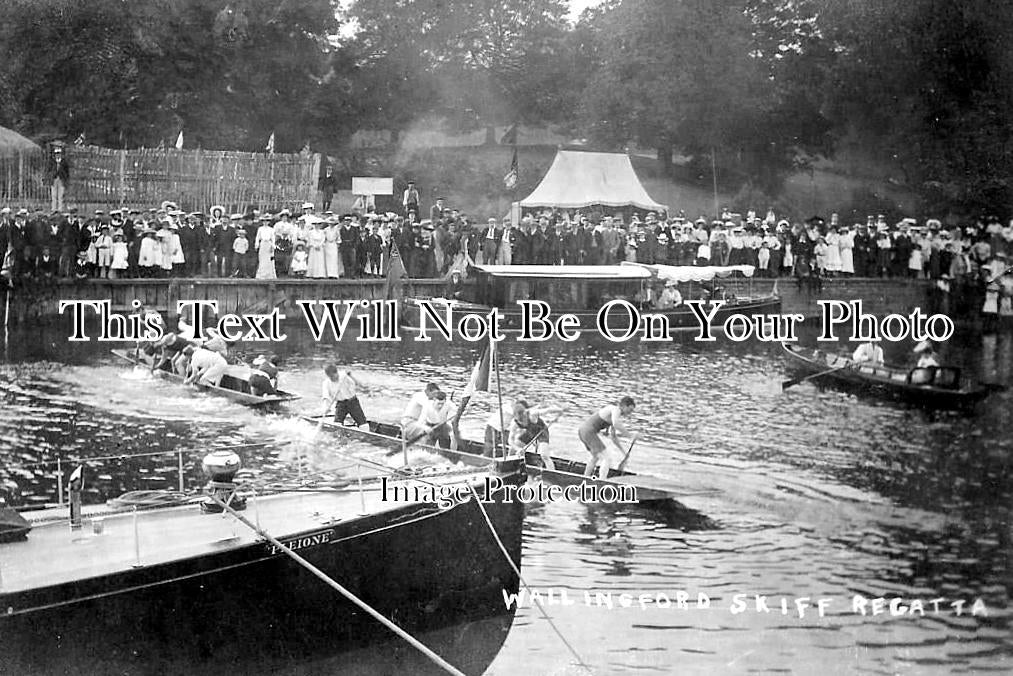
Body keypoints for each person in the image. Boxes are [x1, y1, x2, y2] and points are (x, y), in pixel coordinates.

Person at [578, 396, 636, 479]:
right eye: (629, 410)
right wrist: (630, 435)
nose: (629, 413)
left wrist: (623, 452)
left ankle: (585, 477)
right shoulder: (615, 409)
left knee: (595, 457)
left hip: (582, 431)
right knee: (607, 458)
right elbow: (616, 423)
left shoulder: (613, 415)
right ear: (623, 406)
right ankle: (602, 481)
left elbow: (613, 437)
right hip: (588, 432)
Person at [321, 363, 368, 430]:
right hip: (341, 404)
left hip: (353, 402)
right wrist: (325, 408)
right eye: (330, 377)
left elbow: (360, 385)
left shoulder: (344, 376)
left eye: (333, 376)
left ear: (336, 372)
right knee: (337, 425)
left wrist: (351, 376)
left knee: (364, 425)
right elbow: (326, 397)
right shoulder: (326, 383)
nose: (332, 378)